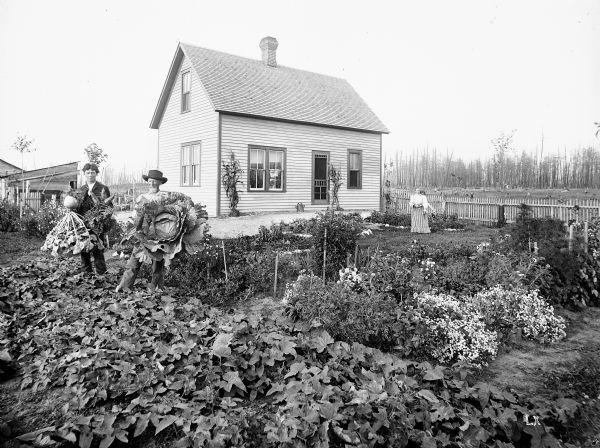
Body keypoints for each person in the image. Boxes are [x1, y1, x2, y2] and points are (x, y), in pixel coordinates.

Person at [115, 169, 170, 292]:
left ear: (160, 183)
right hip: (142, 235)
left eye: (155, 181)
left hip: (158, 236)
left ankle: (157, 290)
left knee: (157, 266)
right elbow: (135, 216)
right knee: (134, 262)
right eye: (150, 181)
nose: (152, 184)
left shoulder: (164, 197)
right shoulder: (142, 197)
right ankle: (124, 287)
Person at [75, 163, 113, 274]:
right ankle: (86, 272)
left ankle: (101, 273)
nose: (90, 175)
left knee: (97, 247)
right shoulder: (81, 189)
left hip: (97, 224)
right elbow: (77, 206)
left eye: (92, 172)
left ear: (96, 173)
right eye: (88, 172)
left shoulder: (103, 188)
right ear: (84, 174)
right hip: (83, 223)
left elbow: (109, 205)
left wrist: (103, 216)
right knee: (84, 247)